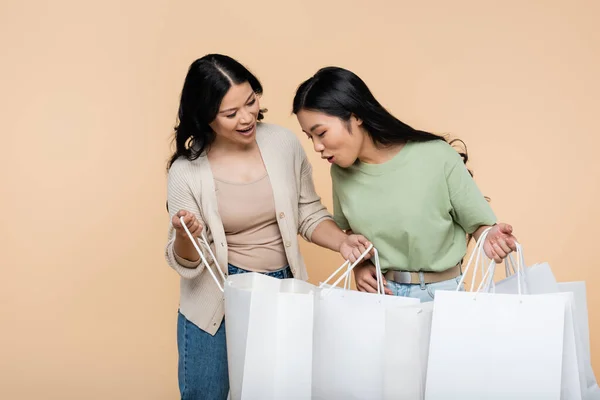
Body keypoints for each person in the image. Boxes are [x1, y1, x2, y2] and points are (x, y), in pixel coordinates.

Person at [164, 55, 370, 400]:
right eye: (230, 114)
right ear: (205, 116)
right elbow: (186, 263)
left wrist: (343, 244)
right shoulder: (186, 171)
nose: (246, 118)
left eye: (251, 101)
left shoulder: (282, 143)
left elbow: (308, 212)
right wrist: (187, 237)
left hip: (283, 290)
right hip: (215, 300)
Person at [293, 66, 517, 301]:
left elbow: (478, 224)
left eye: (321, 133)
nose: (317, 146)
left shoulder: (435, 156)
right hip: (382, 296)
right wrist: (359, 267)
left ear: (356, 116)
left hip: (441, 294)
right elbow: (351, 235)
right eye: (310, 137)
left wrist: (492, 236)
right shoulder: (341, 172)